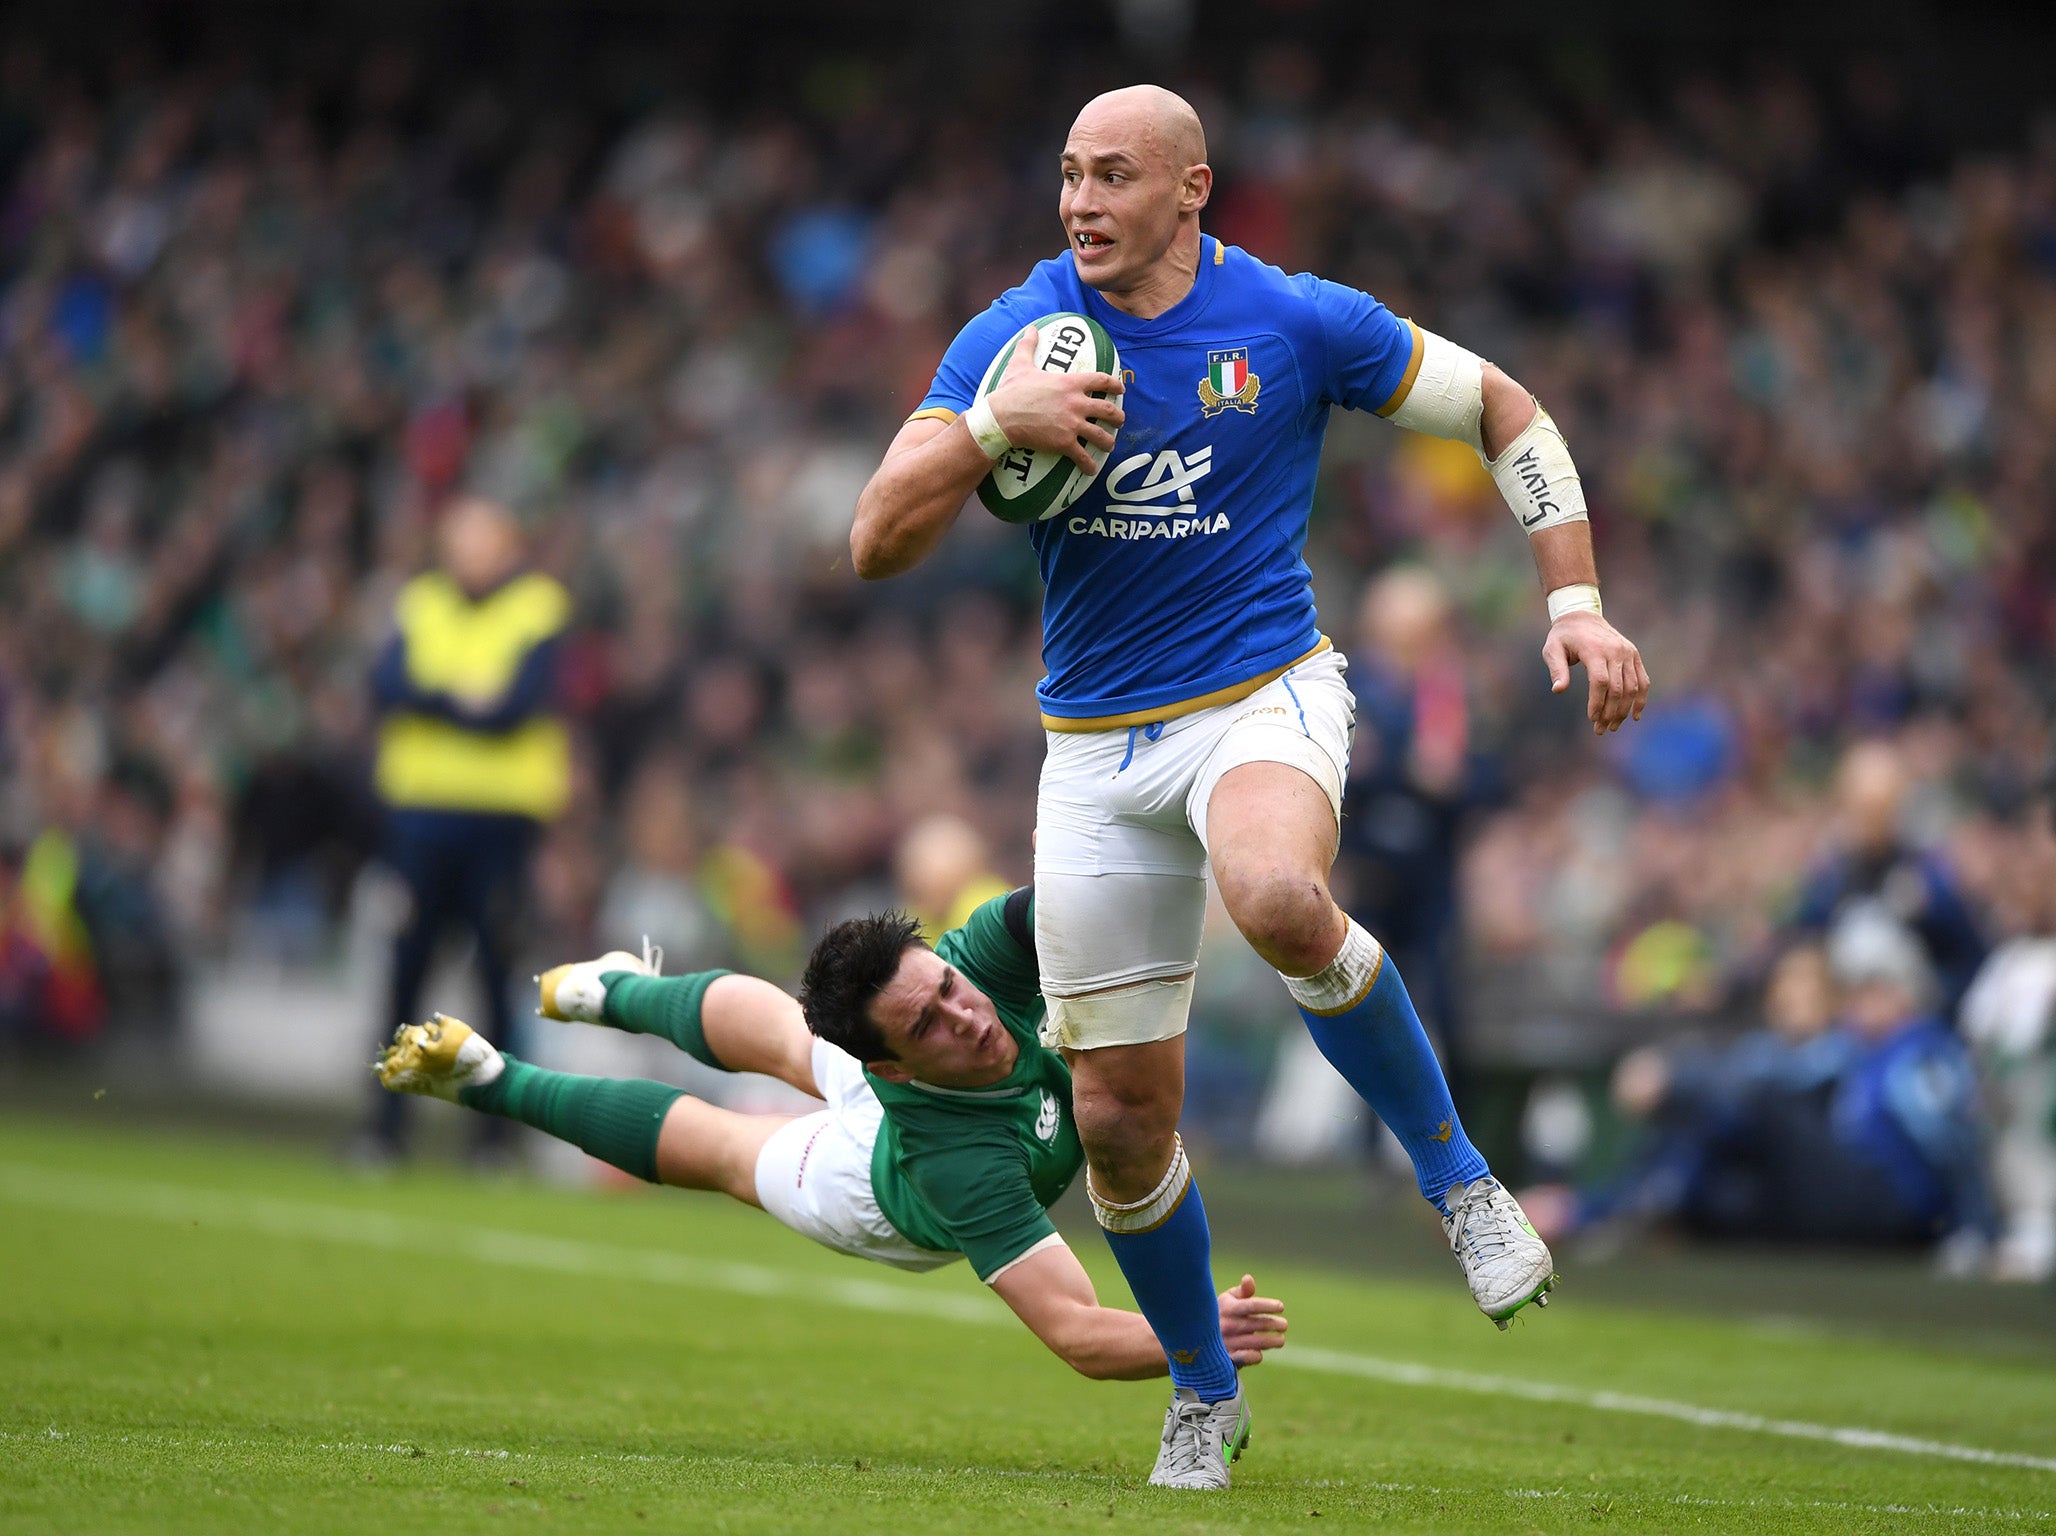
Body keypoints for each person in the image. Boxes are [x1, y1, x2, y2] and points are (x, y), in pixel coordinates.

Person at [850, 84, 1649, 1485]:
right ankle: (1204, 1394)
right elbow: (873, 540)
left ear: (1192, 189)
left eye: (1112, 177)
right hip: (1094, 749)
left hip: (1261, 695)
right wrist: (996, 424)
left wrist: (1574, 599)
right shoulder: (1017, 333)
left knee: (1278, 894)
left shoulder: (1291, 320)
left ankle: (1458, 1179)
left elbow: (1510, 410)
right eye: (1067, 176)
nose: (1081, 203)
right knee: (1116, 1120)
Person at [374, 888, 1289, 1388]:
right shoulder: (958, 1168)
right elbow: (1079, 1333)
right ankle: (492, 1078)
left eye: (945, 991)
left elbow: (1080, 896)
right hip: (873, 1188)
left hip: (911, 1093)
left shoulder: (981, 965)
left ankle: (605, 989)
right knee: (732, 1148)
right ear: (892, 1068)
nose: (963, 1018)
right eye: (928, 1024)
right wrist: (1192, 1331)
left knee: (785, 1031)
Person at [358, 497, 571, 1163]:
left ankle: (492, 1140)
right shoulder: (420, 601)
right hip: (420, 819)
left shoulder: (538, 606)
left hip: (501, 823)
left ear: (508, 545)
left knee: (496, 976)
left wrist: (437, 696)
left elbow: (512, 710)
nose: (469, 554)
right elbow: (388, 686)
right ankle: (384, 1131)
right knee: (405, 974)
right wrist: (463, 698)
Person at [1792, 740, 1988, 1021]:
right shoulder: (1829, 884)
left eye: (1880, 805)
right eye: (1861, 805)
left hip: (1921, 1030)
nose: (1871, 818)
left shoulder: (1929, 880)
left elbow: (1968, 963)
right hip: (1846, 1034)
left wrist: (1924, 998)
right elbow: (1806, 948)